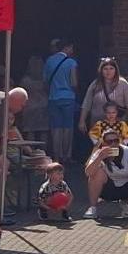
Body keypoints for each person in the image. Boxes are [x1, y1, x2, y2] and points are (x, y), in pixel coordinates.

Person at [83, 127, 128, 219]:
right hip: (108, 188)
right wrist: (100, 157)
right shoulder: (99, 153)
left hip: (127, 185)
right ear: (104, 143)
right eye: (109, 142)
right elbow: (88, 173)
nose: (113, 144)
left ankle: (127, 205)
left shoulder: (126, 151)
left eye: (116, 141)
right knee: (97, 173)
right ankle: (93, 208)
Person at [80, 57, 128, 139]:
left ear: (115, 70)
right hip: (98, 124)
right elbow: (87, 103)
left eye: (111, 68)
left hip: (117, 124)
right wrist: (82, 120)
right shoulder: (95, 84)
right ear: (101, 70)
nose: (108, 71)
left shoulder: (123, 83)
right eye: (105, 69)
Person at [43, 39, 79, 169]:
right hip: (68, 97)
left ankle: (56, 156)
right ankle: (66, 155)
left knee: (56, 128)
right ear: (68, 47)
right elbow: (74, 82)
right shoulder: (71, 62)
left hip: (53, 97)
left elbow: (45, 81)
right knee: (67, 127)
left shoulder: (49, 61)